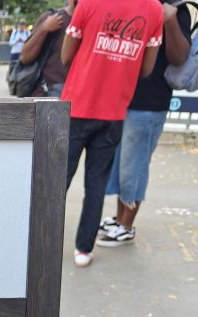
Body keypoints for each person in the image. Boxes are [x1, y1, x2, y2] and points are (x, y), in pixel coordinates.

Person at [60, 0, 163, 267]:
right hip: (114, 111)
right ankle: (84, 249)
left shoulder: (89, 2)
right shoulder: (154, 10)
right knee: (96, 184)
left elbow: (65, 56)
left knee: (58, 180)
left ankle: (39, 240)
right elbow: (146, 69)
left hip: (77, 106)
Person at [98, 1, 192, 246]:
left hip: (149, 102)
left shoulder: (176, 8)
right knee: (122, 166)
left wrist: (170, 21)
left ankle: (126, 226)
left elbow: (179, 58)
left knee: (134, 167)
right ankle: (119, 219)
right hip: (124, 100)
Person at [17, 0, 74, 97]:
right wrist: (44, 28)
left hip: (74, 93)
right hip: (47, 92)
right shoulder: (54, 18)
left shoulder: (92, 22)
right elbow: (25, 57)